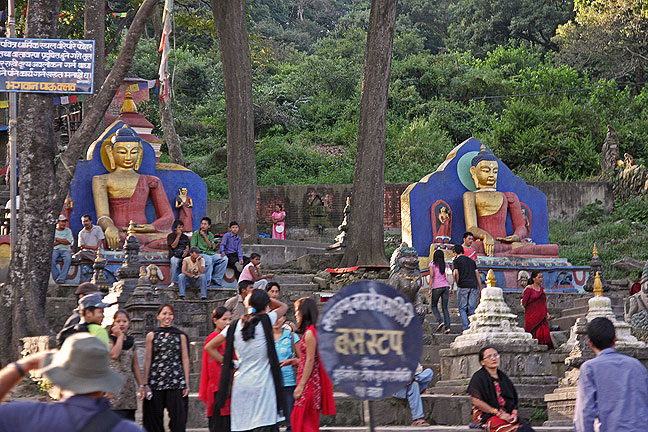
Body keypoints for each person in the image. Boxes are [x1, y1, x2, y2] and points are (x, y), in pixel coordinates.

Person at [0, 333, 143, 431]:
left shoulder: (27, 416)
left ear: (60, 377)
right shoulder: (125, 429)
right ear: (104, 383)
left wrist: (24, 365)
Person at [206, 289, 289, 432]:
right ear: (265, 305)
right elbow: (284, 307)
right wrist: (266, 298)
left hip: (242, 384)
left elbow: (209, 347)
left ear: (247, 304)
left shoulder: (235, 326)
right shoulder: (267, 320)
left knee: (244, 426)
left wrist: (230, 363)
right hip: (264, 386)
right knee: (264, 425)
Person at [462, 145, 558, 257]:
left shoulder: (509, 196)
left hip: (506, 244)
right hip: (483, 244)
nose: (491, 175)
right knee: (472, 248)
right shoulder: (470, 196)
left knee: (552, 249)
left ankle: (509, 251)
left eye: (495, 171)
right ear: (474, 172)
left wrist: (516, 236)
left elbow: (521, 227)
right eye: (486, 171)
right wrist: (485, 236)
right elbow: (471, 228)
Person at [92, 126, 174, 250]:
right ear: (110, 152)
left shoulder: (151, 181)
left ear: (140, 152)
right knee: (108, 240)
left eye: (134, 152)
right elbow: (102, 215)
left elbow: (168, 216)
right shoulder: (101, 180)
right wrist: (109, 227)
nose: (129, 157)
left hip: (145, 234)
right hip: (119, 234)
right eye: (122, 152)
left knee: (169, 239)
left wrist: (151, 227)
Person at [574, 317, 648, 432]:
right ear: (615, 339)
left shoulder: (590, 369)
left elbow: (584, 412)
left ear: (590, 343)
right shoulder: (636, 365)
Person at [142, 304, 191, 432]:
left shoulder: (181, 336)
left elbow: (185, 359)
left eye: (170, 314)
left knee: (178, 419)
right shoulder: (151, 336)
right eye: (164, 314)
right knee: (154, 418)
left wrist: (186, 383)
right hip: (156, 381)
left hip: (176, 381)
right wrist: (145, 383)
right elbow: (148, 360)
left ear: (173, 316)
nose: (167, 317)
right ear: (158, 316)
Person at [291, 297, 336, 432]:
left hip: (309, 383)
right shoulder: (309, 331)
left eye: (297, 311)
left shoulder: (310, 333)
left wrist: (301, 386)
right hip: (308, 380)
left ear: (304, 313)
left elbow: (310, 360)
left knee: (304, 421)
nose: (295, 314)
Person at [467, 346, 535, 432]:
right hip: (487, 413)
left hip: (506, 413)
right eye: (489, 356)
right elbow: (476, 401)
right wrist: (498, 413)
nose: (493, 358)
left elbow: (513, 398)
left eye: (496, 355)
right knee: (510, 429)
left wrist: (514, 413)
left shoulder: (503, 377)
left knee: (526, 429)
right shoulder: (478, 377)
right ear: (482, 362)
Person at [199, 307, 233, 432]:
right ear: (215, 320)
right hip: (218, 388)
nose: (228, 322)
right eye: (224, 319)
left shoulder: (231, 337)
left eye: (230, 319)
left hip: (230, 386)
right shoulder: (213, 338)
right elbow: (212, 368)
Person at [109, 310, 145, 421]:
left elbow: (135, 366)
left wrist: (141, 385)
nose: (121, 324)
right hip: (113, 388)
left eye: (124, 321)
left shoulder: (131, 341)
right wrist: (119, 336)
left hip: (128, 388)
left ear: (129, 323)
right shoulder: (110, 339)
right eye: (118, 321)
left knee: (129, 422)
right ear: (114, 323)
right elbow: (114, 354)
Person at [273, 313, 301, 432]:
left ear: (284, 318)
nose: (276, 320)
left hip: (288, 383)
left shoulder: (292, 336)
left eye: (279, 317)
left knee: (291, 421)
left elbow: (302, 359)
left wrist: (292, 361)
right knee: (272, 423)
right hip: (270, 383)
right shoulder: (264, 337)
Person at [191, 217, 228, 287]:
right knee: (209, 260)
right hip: (201, 253)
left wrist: (204, 236)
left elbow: (212, 247)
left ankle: (217, 279)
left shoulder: (210, 235)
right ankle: (206, 283)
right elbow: (192, 247)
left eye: (205, 224)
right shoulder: (196, 233)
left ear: (209, 226)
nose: (203, 226)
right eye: (202, 224)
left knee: (224, 259)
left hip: (210, 253)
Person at [452, 244, 481, 331]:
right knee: (472, 308)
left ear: (454, 252)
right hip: (473, 285)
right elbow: (477, 274)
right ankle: (473, 327)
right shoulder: (471, 261)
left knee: (462, 308)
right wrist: (480, 288)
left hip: (463, 285)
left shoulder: (456, 261)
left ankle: (466, 328)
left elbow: (455, 273)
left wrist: (457, 283)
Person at [521, 271, 554, 349]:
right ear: (533, 278)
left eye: (542, 277)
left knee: (544, 333)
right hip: (532, 316)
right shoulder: (528, 289)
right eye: (539, 277)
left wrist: (546, 313)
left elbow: (543, 303)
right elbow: (524, 302)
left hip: (542, 316)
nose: (541, 279)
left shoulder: (542, 290)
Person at [428, 249, 452, 334]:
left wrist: (429, 289)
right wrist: (452, 288)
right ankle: (447, 327)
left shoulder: (432, 264)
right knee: (445, 308)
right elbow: (450, 277)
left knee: (434, 306)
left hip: (437, 287)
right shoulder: (446, 265)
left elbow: (431, 277)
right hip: (446, 286)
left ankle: (440, 321)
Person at [167, 219, 190, 288]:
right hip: (175, 255)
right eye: (179, 227)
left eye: (182, 227)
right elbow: (173, 246)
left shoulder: (185, 237)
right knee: (174, 262)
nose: (181, 229)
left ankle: (188, 282)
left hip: (184, 255)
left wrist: (186, 251)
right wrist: (178, 236)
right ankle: (173, 282)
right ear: (175, 228)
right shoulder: (170, 236)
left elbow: (188, 246)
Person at [52, 214, 73, 284]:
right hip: (55, 249)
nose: (64, 223)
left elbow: (68, 242)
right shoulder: (53, 231)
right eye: (62, 222)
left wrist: (57, 239)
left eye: (65, 222)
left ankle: (61, 278)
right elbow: (52, 244)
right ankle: (57, 277)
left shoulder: (68, 231)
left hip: (66, 250)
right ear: (58, 222)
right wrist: (63, 241)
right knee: (51, 259)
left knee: (68, 259)